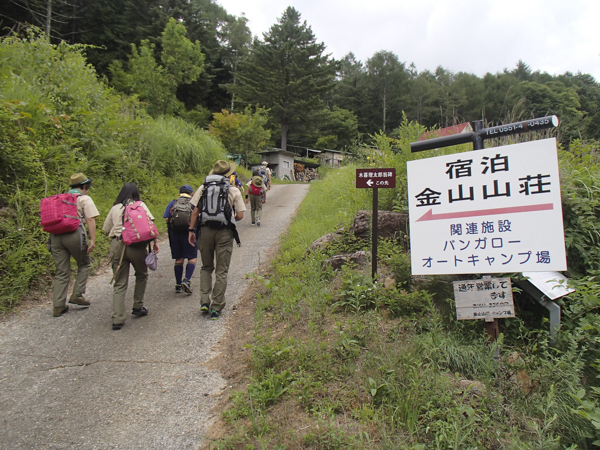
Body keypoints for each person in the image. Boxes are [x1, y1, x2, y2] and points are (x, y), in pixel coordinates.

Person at [188, 160, 245, 320]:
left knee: (206, 267)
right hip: (225, 232)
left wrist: (191, 230)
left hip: (205, 231)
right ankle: (216, 306)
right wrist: (229, 218)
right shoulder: (233, 190)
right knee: (221, 270)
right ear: (229, 174)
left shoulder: (203, 187)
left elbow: (195, 211)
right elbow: (240, 215)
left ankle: (204, 301)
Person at [103, 182, 159, 330]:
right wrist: (155, 243)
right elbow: (149, 225)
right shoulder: (141, 205)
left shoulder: (115, 208)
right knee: (141, 275)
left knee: (120, 282)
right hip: (137, 247)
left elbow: (106, 228)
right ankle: (138, 305)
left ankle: (117, 318)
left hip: (118, 246)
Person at [50, 173, 99, 317]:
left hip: (55, 236)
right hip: (74, 233)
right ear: (84, 186)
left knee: (62, 271)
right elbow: (90, 219)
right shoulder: (84, 199)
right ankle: (77, 294)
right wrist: (92, 240)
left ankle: (58, 305)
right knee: (84, 264)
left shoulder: (60, 198)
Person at [163, 185, 197, 294]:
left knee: (179, 259)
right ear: (191, 193)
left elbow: (167, 218)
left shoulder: (173, 202)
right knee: (192, 258)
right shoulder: (193, 203)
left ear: (179, 193)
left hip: (175, 234)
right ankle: (186, 280)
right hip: (190, 234)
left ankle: (178, 284)